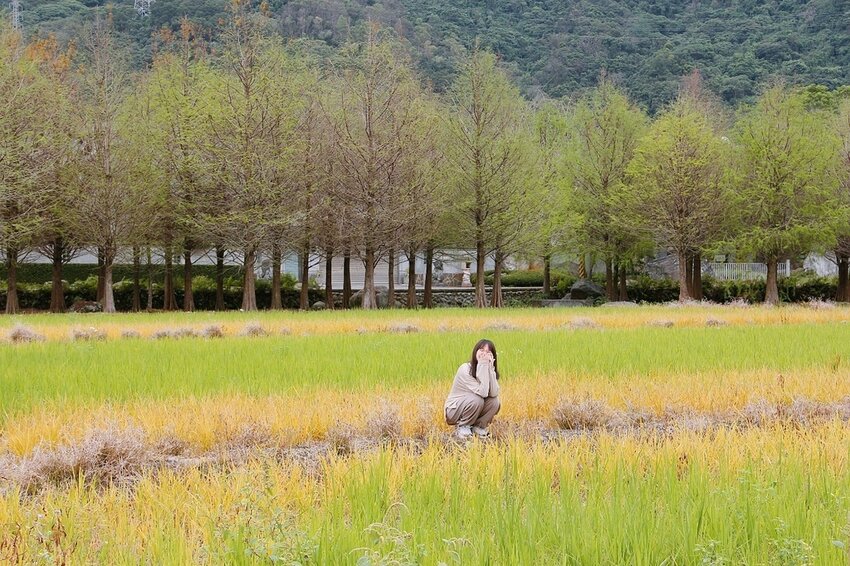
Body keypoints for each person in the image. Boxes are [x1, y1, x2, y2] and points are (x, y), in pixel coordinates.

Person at [444, 339, 501, 438]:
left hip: (473, 405)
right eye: (481, 350)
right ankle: (463, 426)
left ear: (493, 356)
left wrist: (491, 370)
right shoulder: (465, 369)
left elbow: (494, 393)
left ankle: (479, 427)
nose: (484, 354)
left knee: (495, 402)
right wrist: (483, 364)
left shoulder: (489, 369)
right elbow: (482, 393)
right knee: (477, 399)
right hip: (454, 411)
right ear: (475, 351)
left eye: (488, 352)